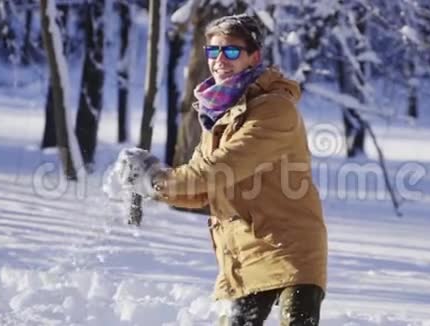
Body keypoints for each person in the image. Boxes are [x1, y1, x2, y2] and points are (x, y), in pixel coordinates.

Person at [115, 14, 328, 325]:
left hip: (292, 253)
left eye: (231, 52)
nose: (219, 61)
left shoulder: (274, 110)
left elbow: (217, 170)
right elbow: (203, 190)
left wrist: (157, 178)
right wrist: (152, 187)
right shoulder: (219, 117)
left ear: (254, 56)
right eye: (213, 52)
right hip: (244, 257)